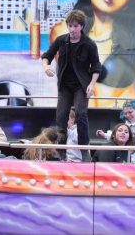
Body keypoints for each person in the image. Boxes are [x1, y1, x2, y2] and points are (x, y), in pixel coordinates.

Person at [42, 10, 101, 162]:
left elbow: (96, 67)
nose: (73, 29)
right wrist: (46, 67)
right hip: (65, 85)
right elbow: (47, 56)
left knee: (81, 114)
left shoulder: (89, 44)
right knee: (61, 116)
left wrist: (92, 84)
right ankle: (61, 151)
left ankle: (84, 150)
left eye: (76, 26)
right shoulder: (61, 41)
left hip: (82, 84)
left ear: (81, 26)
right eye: (70, 26)